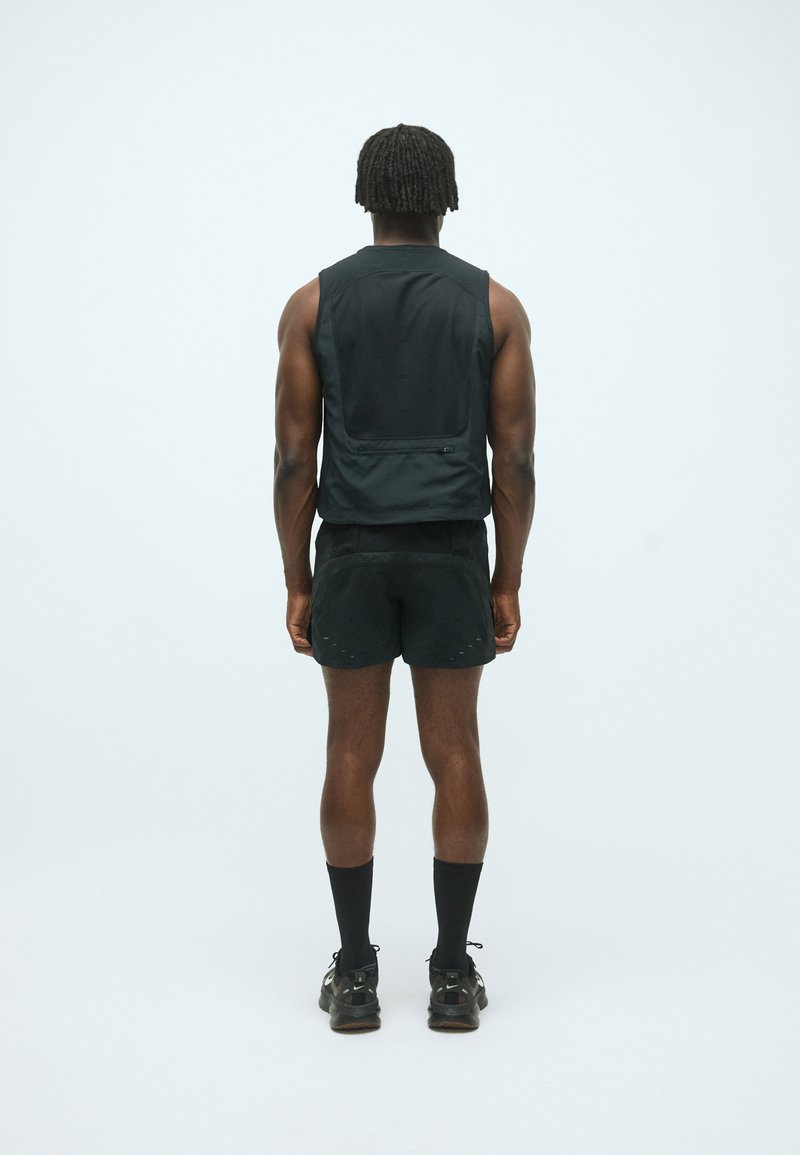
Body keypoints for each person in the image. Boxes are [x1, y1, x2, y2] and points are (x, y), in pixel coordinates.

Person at [273, 124, 536, 1031]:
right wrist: (507, 578)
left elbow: (293, 460)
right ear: (445, 196)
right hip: (452, 550)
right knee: (454, 751)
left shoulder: (313, 303)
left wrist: (297, 578)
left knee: (351, 753)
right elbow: (515, 461)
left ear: (366, 195)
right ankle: (453, 975)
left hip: (350, 550)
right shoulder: (495, 306)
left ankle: (354, 976)